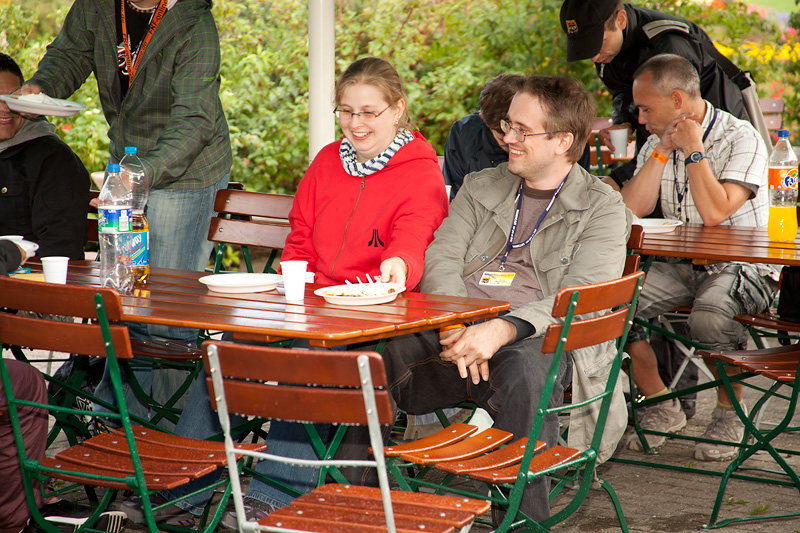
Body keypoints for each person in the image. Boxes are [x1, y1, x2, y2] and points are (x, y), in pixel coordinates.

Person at [115, 56, 449, 527]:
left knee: (304, 360)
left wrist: (401, 264)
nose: (356, 123)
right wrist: (293, 283)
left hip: (372, 314)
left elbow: (414, 234)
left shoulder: (419, 171)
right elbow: (301, 234)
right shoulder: (328, 161)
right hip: (309, 302)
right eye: (347, 111)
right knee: (229, 350)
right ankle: (178, 491)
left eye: (369, 112)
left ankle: (273, 498)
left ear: (397, 110)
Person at [378, 75, 630, 525]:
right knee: (369, 358)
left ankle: (521, 522)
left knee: (528, 370)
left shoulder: (602, 207)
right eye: (506, 125)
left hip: (538, 339)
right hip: (457, 335)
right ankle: (360, 503)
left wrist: (503, 329)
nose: (506, 137)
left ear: (562, 141)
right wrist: (456, 322)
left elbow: (582, 296)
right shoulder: (481, 186)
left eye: (521, 130)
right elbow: (441, 255)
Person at [22, 0, 232, 421]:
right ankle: (122, 419)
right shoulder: (97, 5)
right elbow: (70, 53)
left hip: (184, 171)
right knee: (126, 296)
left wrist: (140, 173)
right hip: (129, 161)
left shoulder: (194, 21)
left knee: (165, 313)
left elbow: (195, 121)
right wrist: (40, 87)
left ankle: (169, 431)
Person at [620, 54, 773, 460]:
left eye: (646, 108)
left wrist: (693, 150)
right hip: (679, 267)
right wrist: (660, 151)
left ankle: (729, 413)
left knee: (710, 314)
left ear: (676, 100)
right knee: (607, 306)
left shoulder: (740, 137)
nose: (640, 118)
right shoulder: (655, 140)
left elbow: (716, 212)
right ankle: (660, 401)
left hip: (744, 266)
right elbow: (632, 207)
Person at [560, 0, 756, 189]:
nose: (594, 57)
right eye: (587, 47)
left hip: (713, 134)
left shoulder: (667, 47)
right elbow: (622, 92)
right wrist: (624, 122)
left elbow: (666, 138)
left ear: (621, 20)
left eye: (598, 43)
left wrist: (621, 180)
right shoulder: (608, 51)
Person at [442, 73, 593, 201]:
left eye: (522, 130)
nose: (508, 139)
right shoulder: (465, 135)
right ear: (483, 119)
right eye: (504, 130)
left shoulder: (570, 145)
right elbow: (455, 198)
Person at [0, 53, 88, 260]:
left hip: (28, 275)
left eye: (11, 98)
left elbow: (61, 248)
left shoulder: (53, 160)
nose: (5, 108)